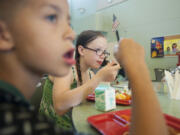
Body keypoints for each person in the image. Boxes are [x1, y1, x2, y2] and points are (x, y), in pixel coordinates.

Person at [0, 0, 168, 135]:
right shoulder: (67, 68)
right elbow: (60, 105)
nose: (72, 34)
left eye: (68, 22)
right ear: (81, 50)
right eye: (51, 17)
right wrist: (136, 68)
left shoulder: (87, 71)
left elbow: (85, 95)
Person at [40, 30, 120, 130]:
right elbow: (60, 107)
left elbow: (92, 98)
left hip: (75, 123)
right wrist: (99, 77)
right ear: (81, 50)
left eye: (104, 51)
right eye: (98, 50)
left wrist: (106, 80)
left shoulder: (90, 74)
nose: (102, 56)